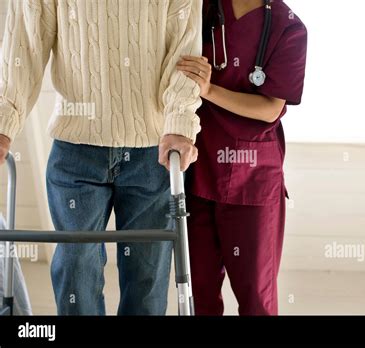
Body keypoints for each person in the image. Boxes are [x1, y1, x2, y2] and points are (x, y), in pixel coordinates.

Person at [0, 0, 202, 315]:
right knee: (75, 267)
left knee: (146, 278)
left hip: (152, 152)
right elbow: (23, 45)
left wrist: (179, 123)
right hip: (76, 148)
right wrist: (3, 125)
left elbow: (184, 52)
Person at [176, 0, 307, 315]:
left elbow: (269, 108)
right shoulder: (202, 8)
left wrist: (209, 90)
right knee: (198, 293)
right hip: (198, 168)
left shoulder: (288, 26)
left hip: (254, 178)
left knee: (256, 300)